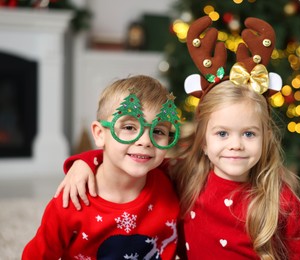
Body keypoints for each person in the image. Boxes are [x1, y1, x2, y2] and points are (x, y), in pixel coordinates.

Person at [55, 17, 300, 259]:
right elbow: (136, 158)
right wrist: (84, 162)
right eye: (222, 133)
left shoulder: (280, 199)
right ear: (203, 140)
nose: (236, 144)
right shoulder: (185, 176)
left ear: (266, 137)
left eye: (249, 134)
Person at [23, 75, 181, 259]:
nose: (145, 141)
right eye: (129, 127)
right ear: (99, 134)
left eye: (158, 131)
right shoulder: (72, 199)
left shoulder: (171, 178)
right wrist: (81, 162)